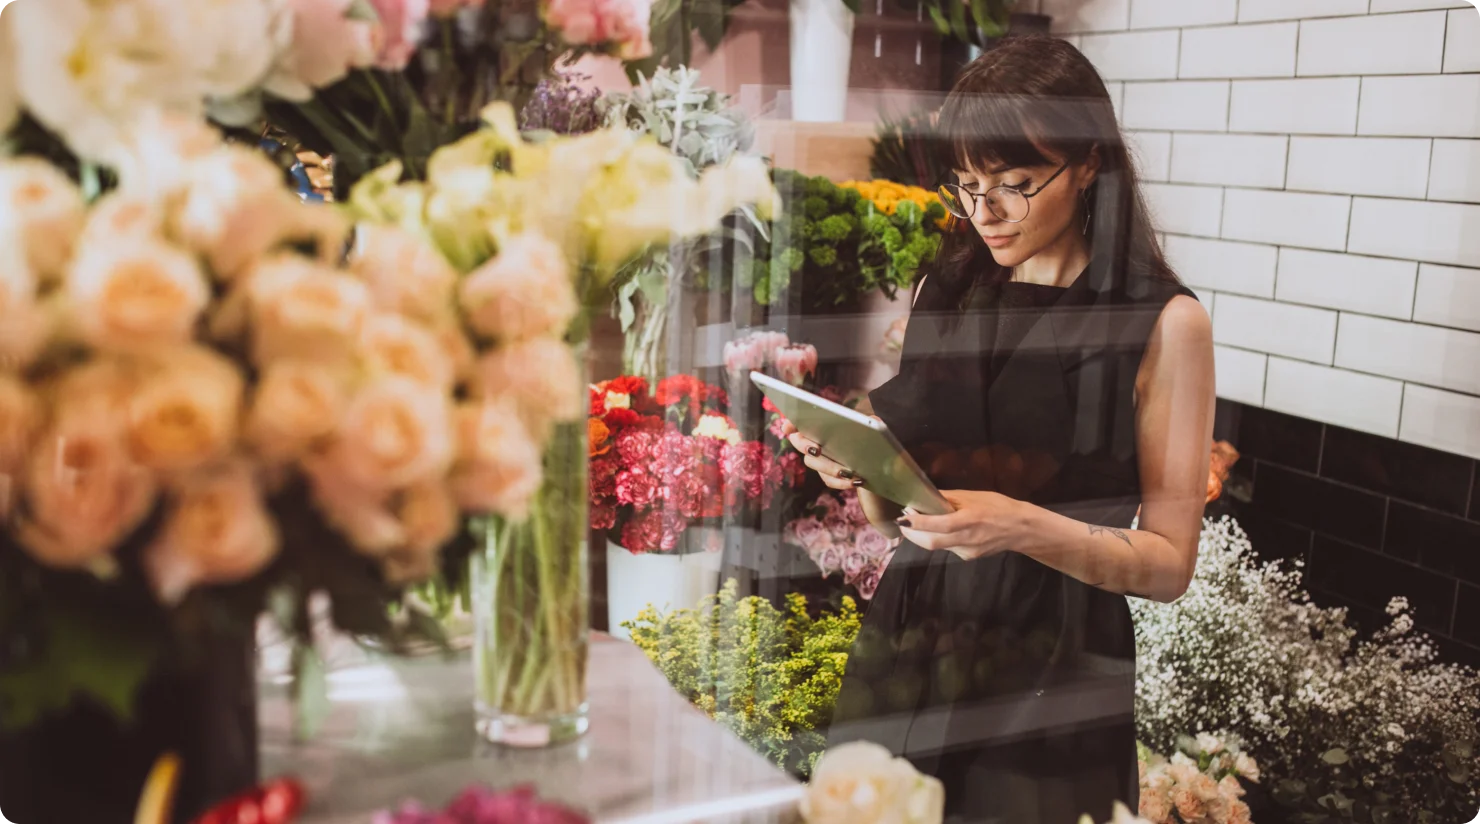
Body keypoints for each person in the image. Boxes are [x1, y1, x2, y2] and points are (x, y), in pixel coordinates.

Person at [786, 36, 1215, 823]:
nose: (985, 214)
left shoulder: (1163, 322)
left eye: (1015, 185)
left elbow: (1167, 566)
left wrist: (1022, 527)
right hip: (914, 634)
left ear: (1088, 163)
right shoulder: (946, 288)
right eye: (968, 185)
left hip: (1052, 662)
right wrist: (863, 469)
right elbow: (906, 522)